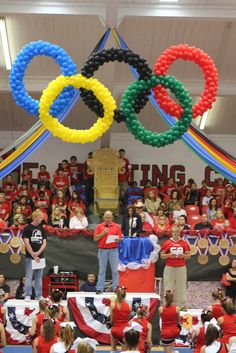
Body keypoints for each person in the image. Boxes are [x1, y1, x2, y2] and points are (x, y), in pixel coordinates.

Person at [161, 225, 191, 309]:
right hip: (169, 267)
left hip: (181, 267)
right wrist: (169, 255)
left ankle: (183, 307)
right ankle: (167, 306)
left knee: (181, 288)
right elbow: (162, 255)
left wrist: (183, 256)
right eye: (174, 232)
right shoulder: (167, 243)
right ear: (172, 233)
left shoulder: (184, 243)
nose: (176, 234)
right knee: (168, 288)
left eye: (177, 232)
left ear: (180, 233)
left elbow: (189, 255)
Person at [94, 210, 123, 294]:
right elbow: (95, 238)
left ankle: (116, 289)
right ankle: (99, 288)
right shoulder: (99, 226)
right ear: (104, 218)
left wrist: (119, 240)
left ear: (112, 218)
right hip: (102, 250)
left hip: (113, 250)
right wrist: (103, 233)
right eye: (106, 217)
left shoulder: (117, 226)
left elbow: (120, 238)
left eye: (110, 217)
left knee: (115, 270)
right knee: (102, 270)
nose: (108, 219)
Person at [22, 209, 47, 301]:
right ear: (35, 217)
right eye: (40, 217)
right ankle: (27, 294)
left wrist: (38, 253)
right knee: (29, 275)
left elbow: (44, 242)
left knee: (38, 276)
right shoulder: (28, 228)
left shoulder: (41, 228)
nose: (41, 219)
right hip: (30, 256)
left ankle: (38, 295)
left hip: (40, 257)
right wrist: (33, 254)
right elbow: (26, 242)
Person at [110, 287, 131, 352]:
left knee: (112, 330)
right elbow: (127, 318)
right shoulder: (129, 307)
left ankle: (113, 348)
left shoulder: (112, 305)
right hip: (125, 331)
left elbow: (111, 321)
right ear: (125, 295)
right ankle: (124, 350)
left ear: (117, 295)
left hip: (115, 330)